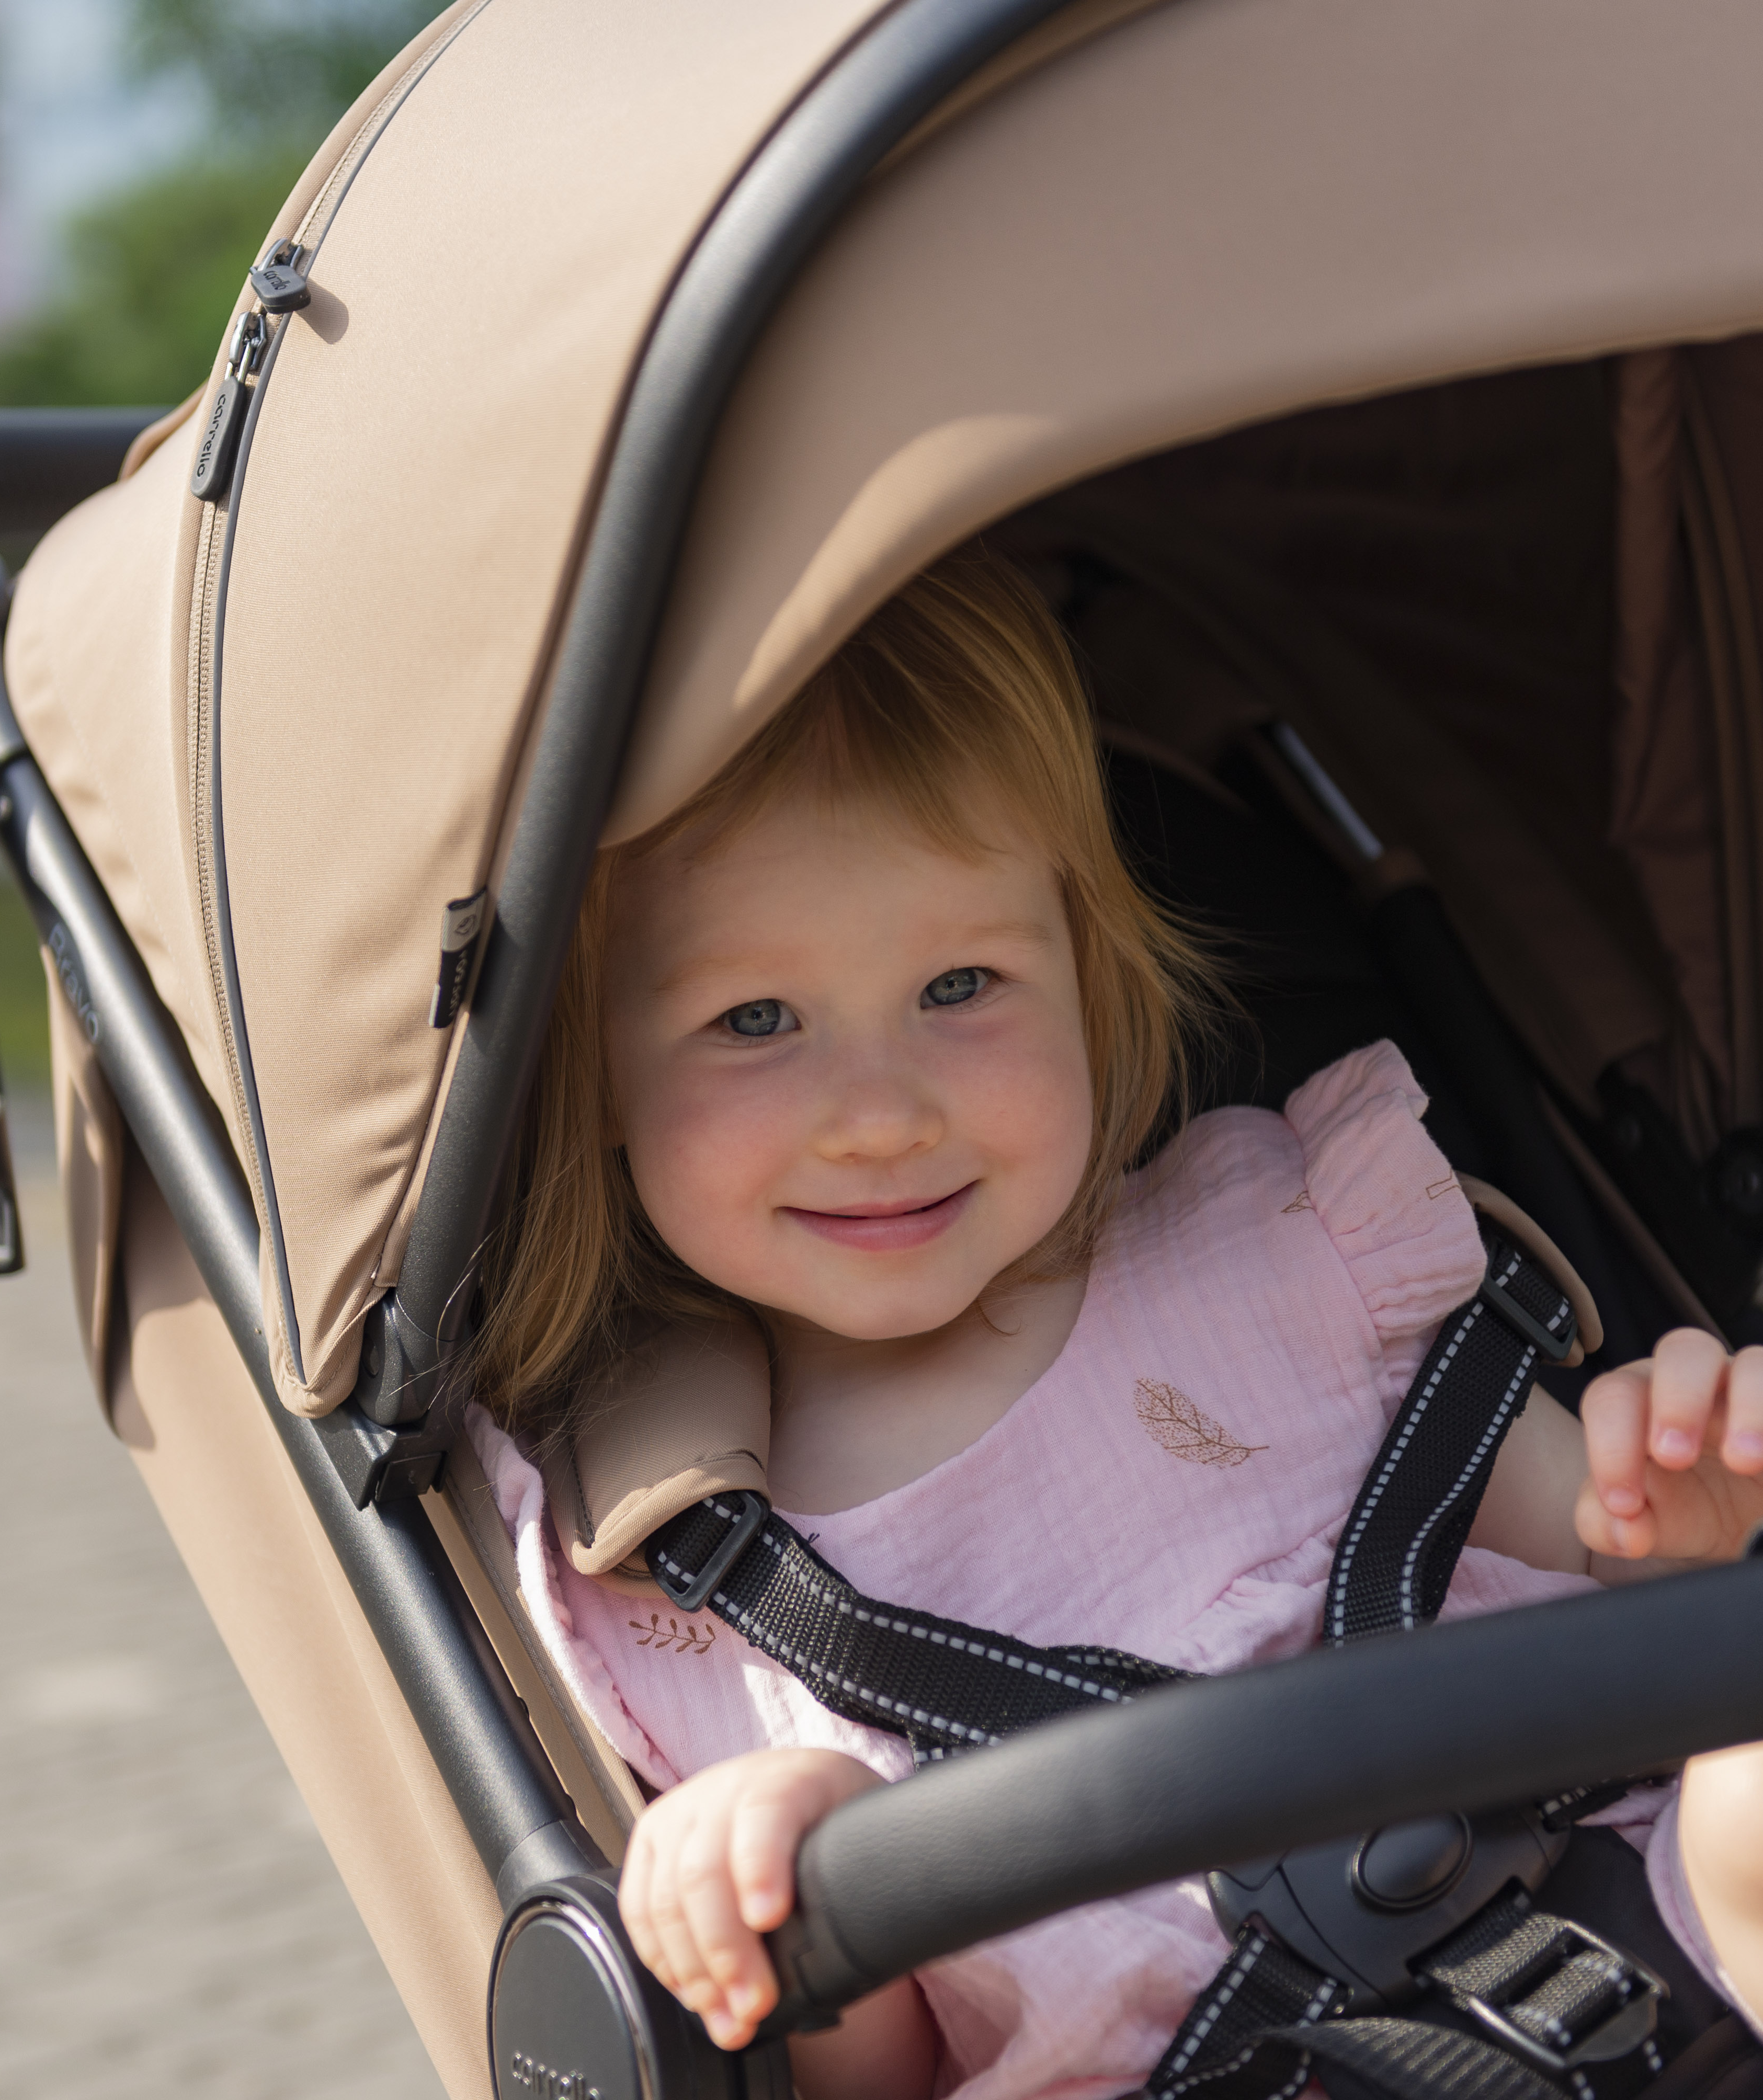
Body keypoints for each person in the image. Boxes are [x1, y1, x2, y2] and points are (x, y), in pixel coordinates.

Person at [468, 547, 1763, 2100]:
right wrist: (792, 1898)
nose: (880, 1115)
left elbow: (1592, 1563)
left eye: (963, 984)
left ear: (1089, 978)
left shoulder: (1292, 1245)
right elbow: (872, 2084)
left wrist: (1670, 1531)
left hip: (1640, 1972)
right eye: (756, 1022)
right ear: (597, 1073)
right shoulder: (665, 1583)